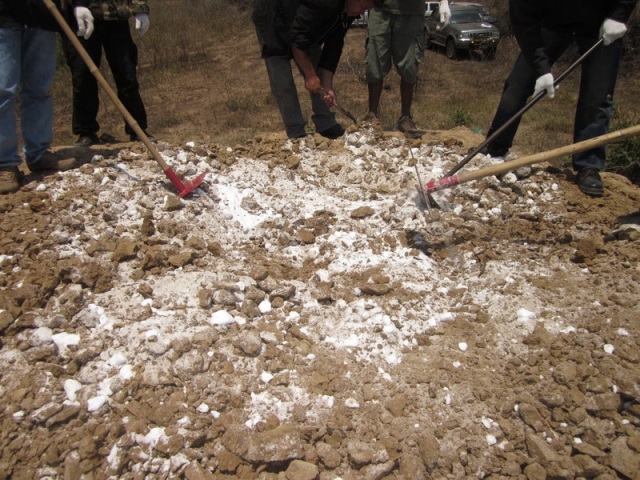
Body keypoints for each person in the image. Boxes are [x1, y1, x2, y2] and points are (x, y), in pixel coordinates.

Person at [483, 0, 637, 197]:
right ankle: (495, 148)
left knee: (597, 96)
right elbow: (523, 21)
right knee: (517, 85)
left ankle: (588, 165)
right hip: (550, 24)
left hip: (601, 22)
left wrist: (619, 16)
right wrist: (541, 68)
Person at [252, 0, 376, 140]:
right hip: (273, 18)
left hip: (304, 30)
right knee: (283, 82)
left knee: (318, 72)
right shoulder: (324, 2)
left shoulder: (349, 12)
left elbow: (333, 46)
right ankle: (296, 131)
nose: (362, 13)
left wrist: (327, 86)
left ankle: (326, 124)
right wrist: (310, 75)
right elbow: (298, 40)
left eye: (366, 10)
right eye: (363, 7)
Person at [0, 0, 78, 195]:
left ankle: (38, 153)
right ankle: (5, 163)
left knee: (39, 89)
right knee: (3, 92)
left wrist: (80, 4)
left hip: (41, 16)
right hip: (3, 16)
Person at [62, 0, 155, 147]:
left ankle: (137, 129)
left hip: (116, 15)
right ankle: (86, 132)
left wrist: (140, 9)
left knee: (127, 75)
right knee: (83, 77)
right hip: (81, 16)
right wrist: (77, 4)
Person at [365, 0, 451, 138]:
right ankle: (371, 116)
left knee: (409, 65)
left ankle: (405, 118)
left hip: (412, 12)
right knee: (374, 61)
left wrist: (444, 1)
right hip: (380, 8)